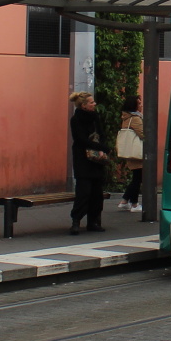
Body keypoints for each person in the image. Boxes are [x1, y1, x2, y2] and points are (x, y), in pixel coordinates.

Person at [69, 91, 108, 235]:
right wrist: (101, 148)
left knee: (97, 193)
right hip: (82, 159)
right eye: (92, 102)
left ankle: (93, 221)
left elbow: (102, 134)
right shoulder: (76, 119)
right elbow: (80, 139)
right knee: (83, 192)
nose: (94, 104)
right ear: (84, 105)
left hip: (97, 160)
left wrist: (103, 148)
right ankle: (76, 221)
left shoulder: (95, 117)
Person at [117, 96, 145, 213]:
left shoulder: (126, 117)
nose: (141, 105)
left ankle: (125, 201)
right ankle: (134, 204)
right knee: (138, 178)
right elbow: (143, 134)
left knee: (136, 177)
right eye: (138, 103)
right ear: (133, 106)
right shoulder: (135, 118)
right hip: (137, 152)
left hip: (131, 151)